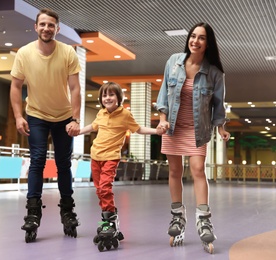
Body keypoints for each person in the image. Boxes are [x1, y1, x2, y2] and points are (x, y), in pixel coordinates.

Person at [155, 22, 230, 254]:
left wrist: (221, 128)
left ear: (208, 43)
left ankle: (203, 218)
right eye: (193, 36)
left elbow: (218, 104)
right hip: (173, 127)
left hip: (198, 130)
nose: (195, 41)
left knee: (198, 169)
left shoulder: (215, 73)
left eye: (201, 38)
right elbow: (163, 94)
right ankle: (178, 217)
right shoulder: (174, 61)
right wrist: (162, 118)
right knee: (175, 171)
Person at [10, 8, 81, 242]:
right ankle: (32, 211)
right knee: (37, 160)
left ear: (57, 29)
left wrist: (75, 118)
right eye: (42, 24)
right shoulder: (24, 53)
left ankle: (67, 208)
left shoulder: (68, 52)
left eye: (51, 25)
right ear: (35, 27)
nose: (46, 28)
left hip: (63, 116)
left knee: (63, 163)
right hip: (37, 114)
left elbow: (75, 88)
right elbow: (15, 85)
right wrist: (19, 116)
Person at [78, 82, 165, 251]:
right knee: (99, 190)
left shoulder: (125, 114)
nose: (107, 98)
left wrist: (156, 131)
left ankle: (110, 220)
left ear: (118, 98)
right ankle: (108, 219)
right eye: (104, 95)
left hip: (111, 157)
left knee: (105, 188)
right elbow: (92, 127)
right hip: (95, 156)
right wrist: (78, 131)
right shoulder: (101, 113)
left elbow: (138, 129)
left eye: (111, 95)